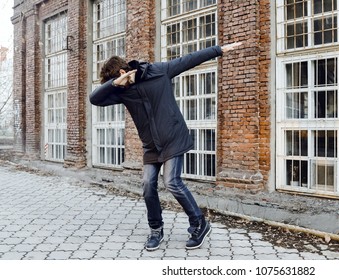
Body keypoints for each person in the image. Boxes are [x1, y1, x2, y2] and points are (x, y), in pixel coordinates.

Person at [89, 42, 242, 251]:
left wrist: (219, 50)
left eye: (116, 80)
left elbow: (189, 59)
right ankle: (156, 229)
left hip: (173, 137)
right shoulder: (122, 91)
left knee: (172, 182)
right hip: (151, 145)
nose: (116, 86)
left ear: (124, 72)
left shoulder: (158, 71)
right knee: (147, 185)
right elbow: (94, 99)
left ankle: (199, 223)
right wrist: (115, 83)